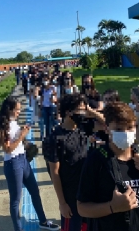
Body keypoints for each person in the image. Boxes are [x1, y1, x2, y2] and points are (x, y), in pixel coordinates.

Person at [0, 96, 60, 231]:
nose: (19, 112)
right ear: (9, 109)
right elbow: (8, 148)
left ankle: (43, 221)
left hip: (23, 160)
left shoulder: (13, 122)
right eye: (17, 110)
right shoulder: (4, 125)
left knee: (35, 191)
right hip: (13, 164)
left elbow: (16, 143)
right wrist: (22, 135)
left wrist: (25, 143)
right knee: (16, 200)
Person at [77, 102, 139, 231]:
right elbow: (82, 208)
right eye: (119, 129)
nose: (126, 133)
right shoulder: (96, 161)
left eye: (130, 128)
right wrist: (112, 207)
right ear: (107, 128)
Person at [47, 94, 91, 231]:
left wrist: (91, 112)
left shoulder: (82, 129)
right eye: (80, 110)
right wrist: (62, 203)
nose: (83, 113)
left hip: (86, 192)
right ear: (68, 112)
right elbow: (54, 173)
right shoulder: (55, 138)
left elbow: (107, 124)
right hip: (70, 196)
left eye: (84, 110)